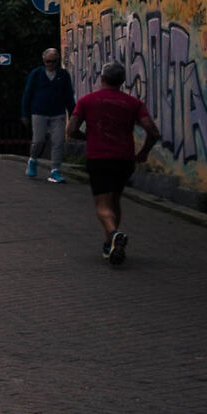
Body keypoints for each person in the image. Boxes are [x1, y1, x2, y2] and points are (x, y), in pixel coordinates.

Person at [67, 62, 159, 266]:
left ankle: (114, 234)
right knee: (115, 199)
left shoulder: (87, 101)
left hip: (99, 158)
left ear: (102, 78)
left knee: (102, 204)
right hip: (124, 159)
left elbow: (71, 129)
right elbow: (152, 131)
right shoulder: (133, 103)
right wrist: (143, 152)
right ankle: (110, 244)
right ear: (122, 81)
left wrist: (87, 137)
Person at [21, 48, 75, 183]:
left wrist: (73, 114)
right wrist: (25, 114)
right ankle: (33, 160)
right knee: (38, 140)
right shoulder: (37, 74)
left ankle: (55, 169)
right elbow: (28, 94)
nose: (50, 64)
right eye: (48, 61)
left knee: (58, 141)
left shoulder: (63, 75)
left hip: (58, 113)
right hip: (39, 112)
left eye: (53, 61)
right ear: (44, 61)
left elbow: (69, 95)